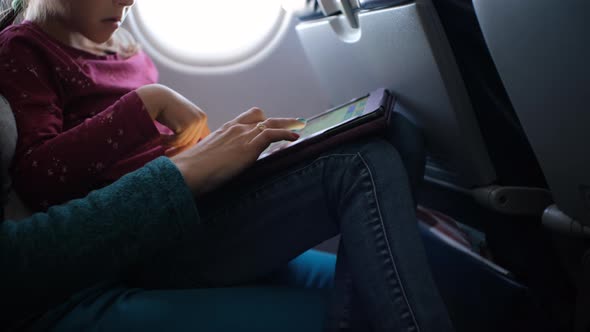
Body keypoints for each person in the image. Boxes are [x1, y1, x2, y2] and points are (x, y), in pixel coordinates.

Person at [0, 0, 455, 331]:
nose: (128, 1)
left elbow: (165, 149)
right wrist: (146, 103)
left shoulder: (123, 45)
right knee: (361, 164)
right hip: (151, 235)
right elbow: (41, 178)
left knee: (398, 134)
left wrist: (230, 154)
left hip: (199, 201)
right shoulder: (24, 49)